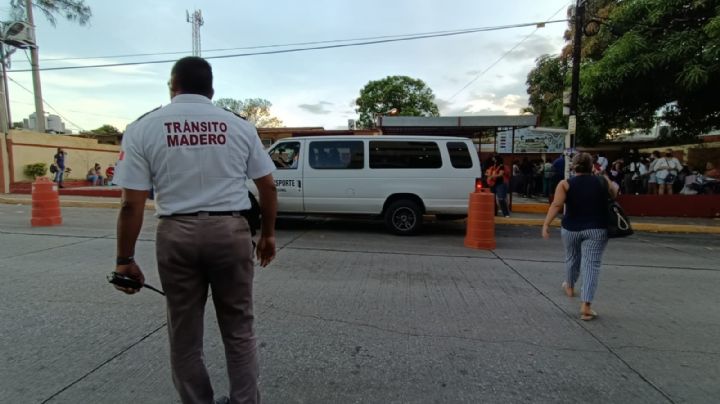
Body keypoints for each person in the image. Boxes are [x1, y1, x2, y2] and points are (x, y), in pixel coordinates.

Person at [112, 56, 278, 404]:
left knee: (184, 334)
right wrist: (268, 236)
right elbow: (268, 187)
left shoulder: (143, 128)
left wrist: (124, 259)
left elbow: (131, 204)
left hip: (176, 235)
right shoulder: (239, 126)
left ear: (172, 87)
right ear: (212, 89)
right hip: (230, 232)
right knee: (239, 329)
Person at [542, 152, 618, 321]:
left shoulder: (565, 184)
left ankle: (569, 286)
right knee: (591, 265)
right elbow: (613, 194)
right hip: (597, 229)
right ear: (592, 166)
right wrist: (604, 177)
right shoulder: (602, 181)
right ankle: (586, 305)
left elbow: (556, 204)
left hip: (571, 228)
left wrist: (546, 224)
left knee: (572, 257)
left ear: (573, 166)